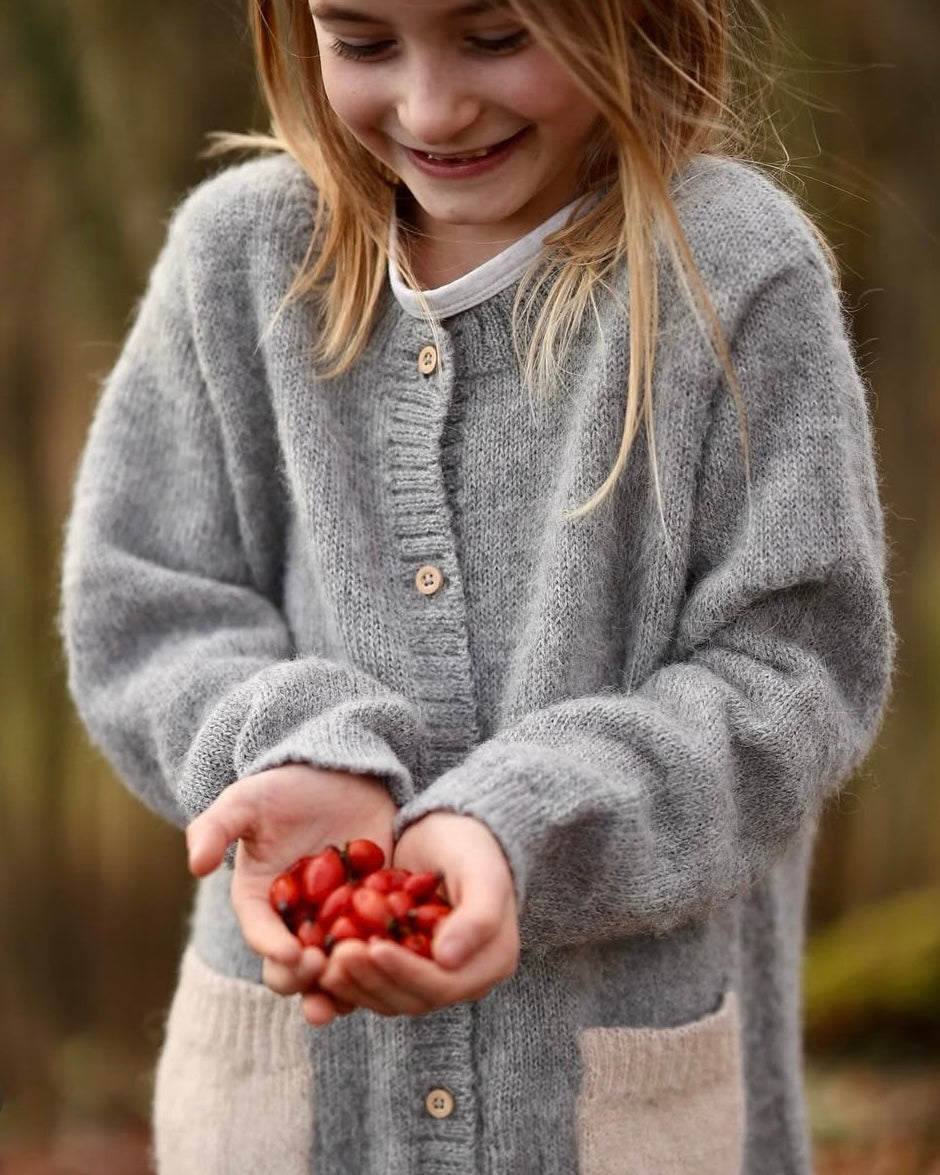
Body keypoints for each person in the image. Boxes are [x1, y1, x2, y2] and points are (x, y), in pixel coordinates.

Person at [59, 0, 894, 1170]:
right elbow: (145, 610)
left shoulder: (732, 272)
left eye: (497, 38)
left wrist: (528, 826)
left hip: (615, 1107)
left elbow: (794, 671)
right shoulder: (238, 258)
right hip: (296, 1107)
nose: (432, 107)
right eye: (360, 43)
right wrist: (297, 749)